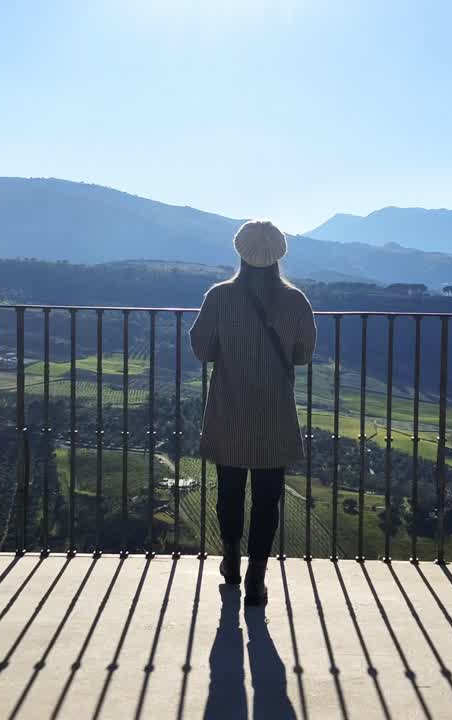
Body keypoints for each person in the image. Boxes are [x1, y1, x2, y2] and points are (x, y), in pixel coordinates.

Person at [189, 219, 316, 607]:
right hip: (274, 411)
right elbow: (303, 354)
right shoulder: (296, 301)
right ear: (279, 255)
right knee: (267, 497)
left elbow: (201, 348)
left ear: (241, 252)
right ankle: (256, 580)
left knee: (229, 489)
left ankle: (230, 561)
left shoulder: (219, 297)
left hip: (229, 407)